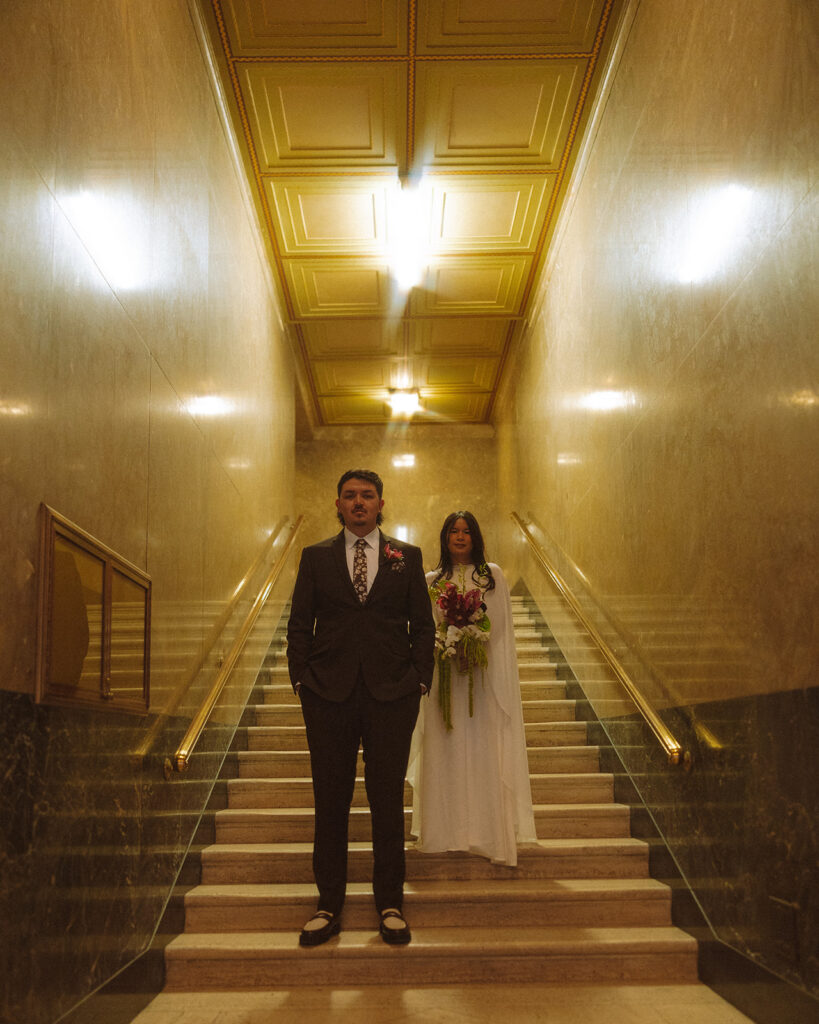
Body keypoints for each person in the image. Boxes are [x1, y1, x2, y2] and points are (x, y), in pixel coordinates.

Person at [286, 469, 435, 947]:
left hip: (393, 694)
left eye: (367, 495)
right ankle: (328, 904)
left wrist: (420, 679)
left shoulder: (405, 557)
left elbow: (423, 625)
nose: (358, 502)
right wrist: (299, 678)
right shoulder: (314, 557)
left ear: (380, 503)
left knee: (387, 800)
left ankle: (389, 904)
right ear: (337, 503)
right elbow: (298, 623)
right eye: (349, 495)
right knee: (330, 801)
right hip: (326, 693)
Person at [409, 511, 536, 866]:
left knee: (482, 751)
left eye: (467, 531)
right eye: (454, 531)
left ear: (476, 537)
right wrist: (446, 645)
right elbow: (425, 625)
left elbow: (500, 630)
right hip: (444, 677)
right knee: (444, 749)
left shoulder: (491, 575)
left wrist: (472, 643)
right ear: (445, 537)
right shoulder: (431, 579)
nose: (460, 537)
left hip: (481, 679)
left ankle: (484, 833)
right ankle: (443, 832)